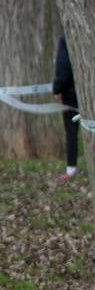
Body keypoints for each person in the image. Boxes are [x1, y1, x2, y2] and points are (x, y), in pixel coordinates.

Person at [54, 35, 81, 182]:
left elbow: (63, 67)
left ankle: (71, 168)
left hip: (71, 93)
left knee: (71, 131)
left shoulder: (67, 39)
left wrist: (57, 88)